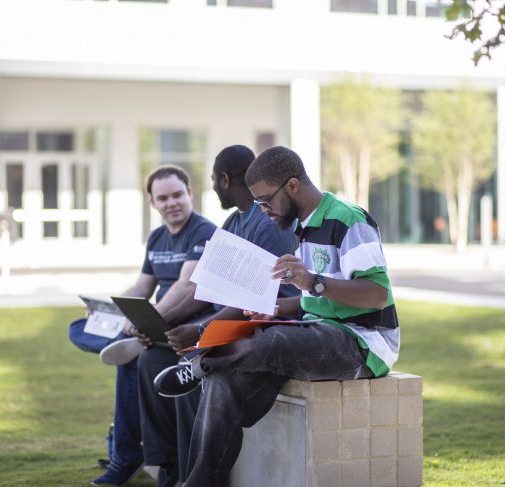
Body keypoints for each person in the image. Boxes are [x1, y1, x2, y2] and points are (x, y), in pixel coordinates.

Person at [160, 146, 400, 487]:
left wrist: (311, 281)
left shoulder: (348, 219)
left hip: (364, 343)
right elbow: (314, 302)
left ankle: (198, 365)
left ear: (292, 186)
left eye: (265, 200)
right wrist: (278, 309)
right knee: (222, 382)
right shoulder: (303, 227)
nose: (263, 210)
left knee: (272, 339)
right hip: (319, 332)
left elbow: (376, 296)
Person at [136, 145, 301, 487]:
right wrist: (170, 323)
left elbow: (251, 299)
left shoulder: (265, 224)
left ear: (225, 179)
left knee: (188, 366)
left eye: (213, 179)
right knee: (150, 359)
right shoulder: (234, 220)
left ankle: (193, 475)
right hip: (227, 317)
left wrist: (199, 330)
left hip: (261, 322)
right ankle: (170, 467)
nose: (212, 186)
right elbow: (208, 286)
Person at [69, 165, 217, 486]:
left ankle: (126, 456)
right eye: (163, 198)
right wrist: (110, 308)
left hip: (181, 323)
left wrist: (148, 322)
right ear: (152, 203)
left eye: (178, 195)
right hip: (149, 324)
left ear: (190, 194)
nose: (171, 203)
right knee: (78, 326)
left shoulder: (203, 231)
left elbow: (185, 286)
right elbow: (141, 287)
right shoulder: (157, 237)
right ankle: (117, 339)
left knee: (133, 361)